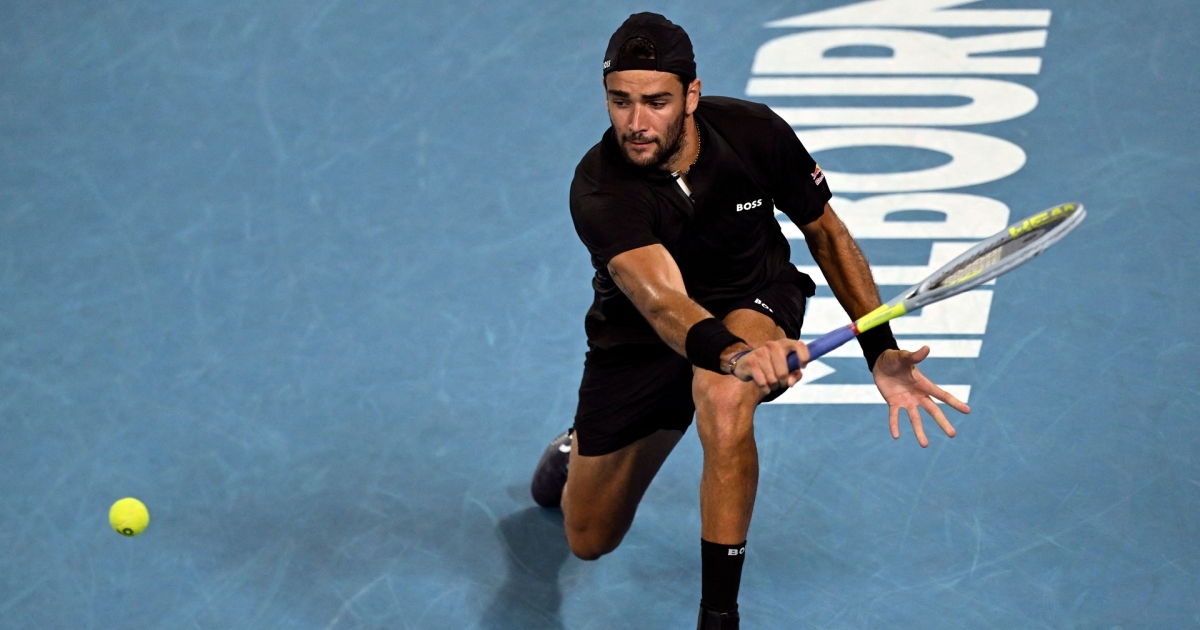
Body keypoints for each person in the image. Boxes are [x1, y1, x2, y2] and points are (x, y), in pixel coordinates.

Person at [530, 12, 971, 629]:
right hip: (641, 340)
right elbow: (662, 302)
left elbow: (826, 233)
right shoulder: (600, 188)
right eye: (620, 100)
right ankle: (577, 444)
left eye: (656, 102)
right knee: (589, 539)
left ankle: (718, 615)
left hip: (754, 296)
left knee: (724, 397)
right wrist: (736, 354)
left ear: (691, 95)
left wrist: (880, 349)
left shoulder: (754, 133)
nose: (635, 123)